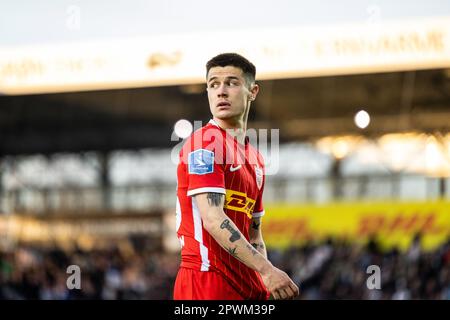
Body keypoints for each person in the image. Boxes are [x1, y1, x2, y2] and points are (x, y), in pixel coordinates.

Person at [173, 53, 299, 300]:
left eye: (231, 82)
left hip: (248, 285)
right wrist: (267, 270)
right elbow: (212, 218)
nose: (221, 91)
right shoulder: (203, 144)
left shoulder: (256, 160)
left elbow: (255, 236)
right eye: (213, 84)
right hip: (206, 280)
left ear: (253, 91)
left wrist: (266, 279)